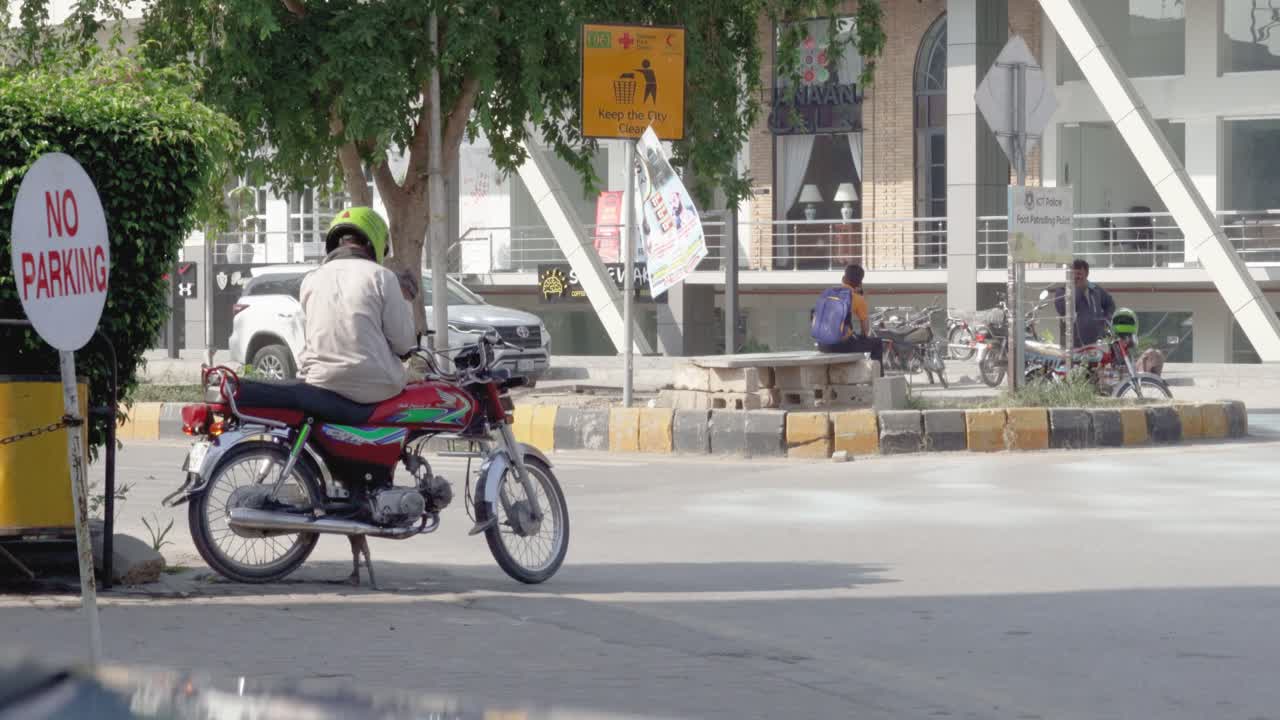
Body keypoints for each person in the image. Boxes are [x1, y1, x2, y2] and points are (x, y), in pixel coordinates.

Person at [298, 207, 418, 404]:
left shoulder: (310, 279)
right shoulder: (381, 276)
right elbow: (404, 344)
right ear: (374, 243)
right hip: (376, 387)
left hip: (319, 384)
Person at [811, 264, 884, 374]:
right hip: (841, 346)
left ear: (844, 278)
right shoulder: (858, 299)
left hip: (822, 345)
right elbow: (865, 330)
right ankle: (878, 377)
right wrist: (862, 336)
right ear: (860, 283)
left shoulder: (827, 294)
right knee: (877, 343)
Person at [1054, 259, 1115, 348]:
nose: (1076, 277)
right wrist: (1078, 290)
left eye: (1079, 274)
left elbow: (1110, 305)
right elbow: (1062, 310)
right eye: (1073, 274)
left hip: (1096, 343)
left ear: (1086, 274)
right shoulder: (1062, 291)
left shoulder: (1095, 290)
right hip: (1072, 345)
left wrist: (1105, 321)